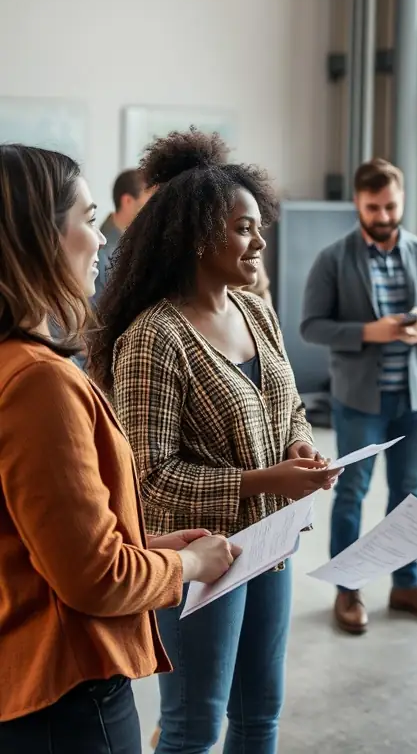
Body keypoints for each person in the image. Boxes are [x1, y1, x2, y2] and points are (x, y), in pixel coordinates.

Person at [89, 129, 339, 754]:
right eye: (244, 227)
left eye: (259, 225)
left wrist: (301, 450)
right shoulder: (154, 337)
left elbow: (289, 409)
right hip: (201, 554)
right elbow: (151, 477)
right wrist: (265, 481)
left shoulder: (256, 312)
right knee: (194, 726)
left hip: (271, 543)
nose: (259, 241)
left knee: (260, 717)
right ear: (199, 235)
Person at [0, 144, 235, 752]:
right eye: (87, 218)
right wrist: (190, 566)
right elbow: (95, 579)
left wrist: (144, 542)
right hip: (64, 696)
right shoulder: (38, 382)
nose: (102, 240)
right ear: (38, 238)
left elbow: (36, 538)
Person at [300, 157, 417, 634]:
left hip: (414, 400)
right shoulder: (333, 258)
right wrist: (369, 332)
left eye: (391, 205)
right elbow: (311, 325)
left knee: (408, 497)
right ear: (358, 204)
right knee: (351, 492)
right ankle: (347, 589)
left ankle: (406, 585)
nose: (384, 214)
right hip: (358, 401)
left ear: (401, 200)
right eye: (373, 207)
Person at [94, 168, 153, 302]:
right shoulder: (100, 255)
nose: (152, 210)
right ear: (127, 201)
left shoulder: (142, 243)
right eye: (148, 203)